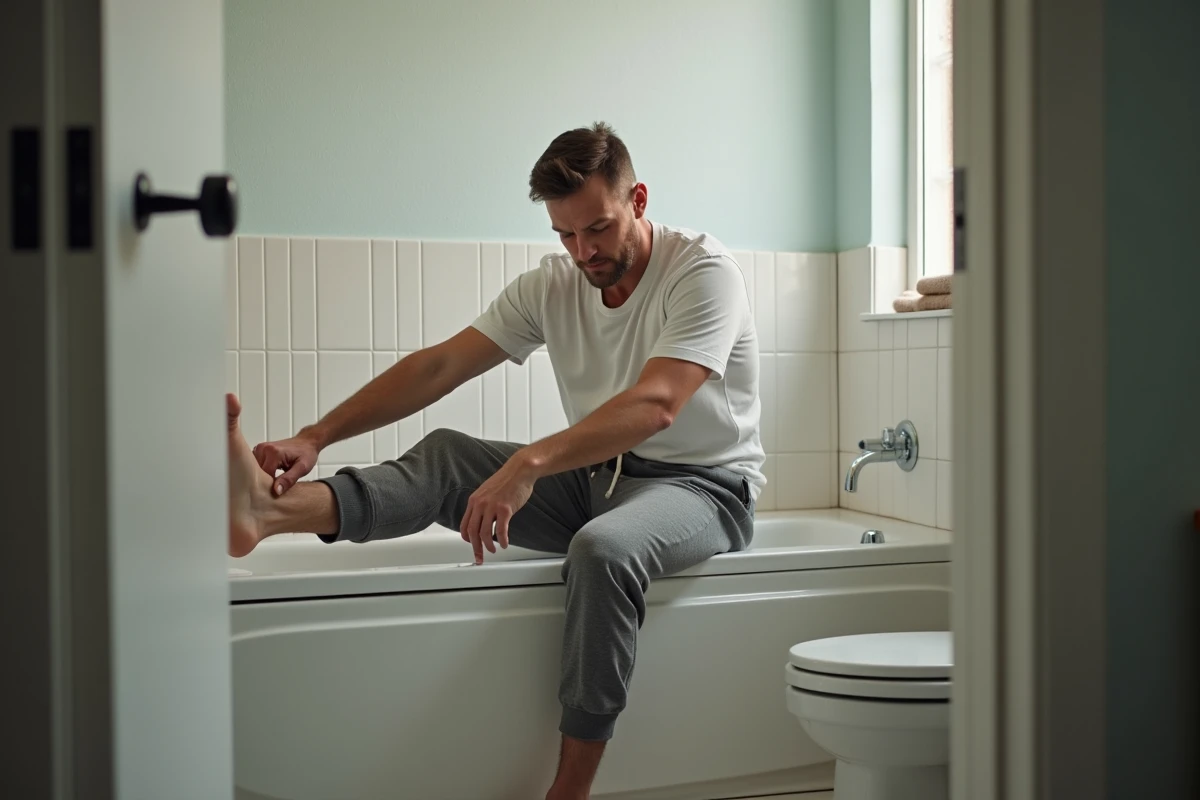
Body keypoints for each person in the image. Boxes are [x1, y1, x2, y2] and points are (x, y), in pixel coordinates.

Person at [225, 121, 764, 800]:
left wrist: (529, 464)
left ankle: (569, 790)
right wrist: (317, 434)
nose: (583, 251)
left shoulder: (701, 272)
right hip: (600, 479)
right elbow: (441, 366)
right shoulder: (554, 284)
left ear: (638, 200)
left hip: (704, 489)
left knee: (603, 551)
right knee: (451, 456)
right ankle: (267, 512)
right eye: (565, 235)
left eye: (597, 229)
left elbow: (657, 404)